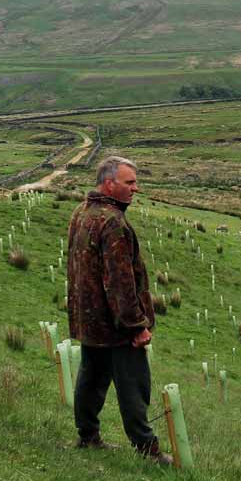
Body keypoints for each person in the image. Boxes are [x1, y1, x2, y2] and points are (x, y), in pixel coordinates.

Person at [65, 155, 172, 465]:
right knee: (134, 385)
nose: (135, 189)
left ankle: (88, 436)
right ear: (109, 184)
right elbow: (120, 281)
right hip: (115, 325)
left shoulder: (81, 212)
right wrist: (136, 325)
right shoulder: (113, 222)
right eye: (130, 183)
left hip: (89, 318)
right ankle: (147, 449)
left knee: (91, 377)